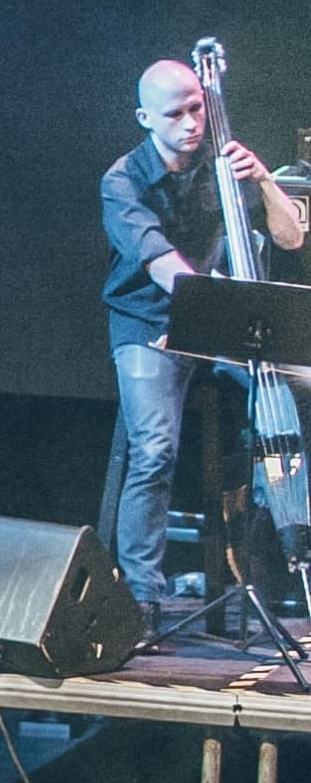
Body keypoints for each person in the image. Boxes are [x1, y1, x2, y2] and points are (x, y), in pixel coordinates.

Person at [99, 58, 306, 607]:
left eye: (198, 108)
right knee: (155, 450)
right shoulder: (123, 181)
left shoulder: (222, 164)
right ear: (146, 118)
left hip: (215, 320)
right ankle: (141, 602)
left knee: (304, 389)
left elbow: (289, 240)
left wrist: (262, 179)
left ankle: (283, 560)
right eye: (176, 114)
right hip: (149, 326)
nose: (192, 122)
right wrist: (209, 316)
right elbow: (163, 266)